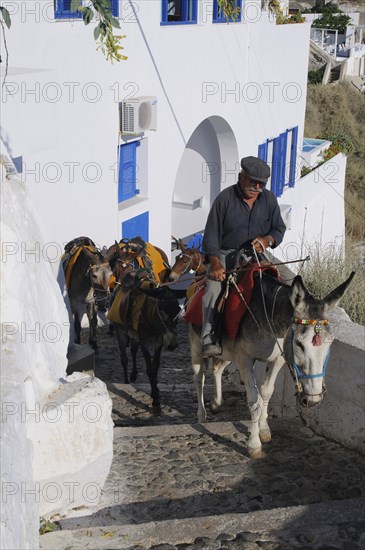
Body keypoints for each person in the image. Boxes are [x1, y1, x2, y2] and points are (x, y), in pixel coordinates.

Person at [201, 155, 293, 357]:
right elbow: (210, 236)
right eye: (253, 182)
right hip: (226, 255)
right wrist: (215, 263)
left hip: (258, 253)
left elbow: (279, 228)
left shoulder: (268, 199)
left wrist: (267, 240)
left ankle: (292, 330)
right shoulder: (224, 199)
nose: (257, 187)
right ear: (241, 176)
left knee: (292, 280)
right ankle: (209, 337)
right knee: (212, 291)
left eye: (261, 184)